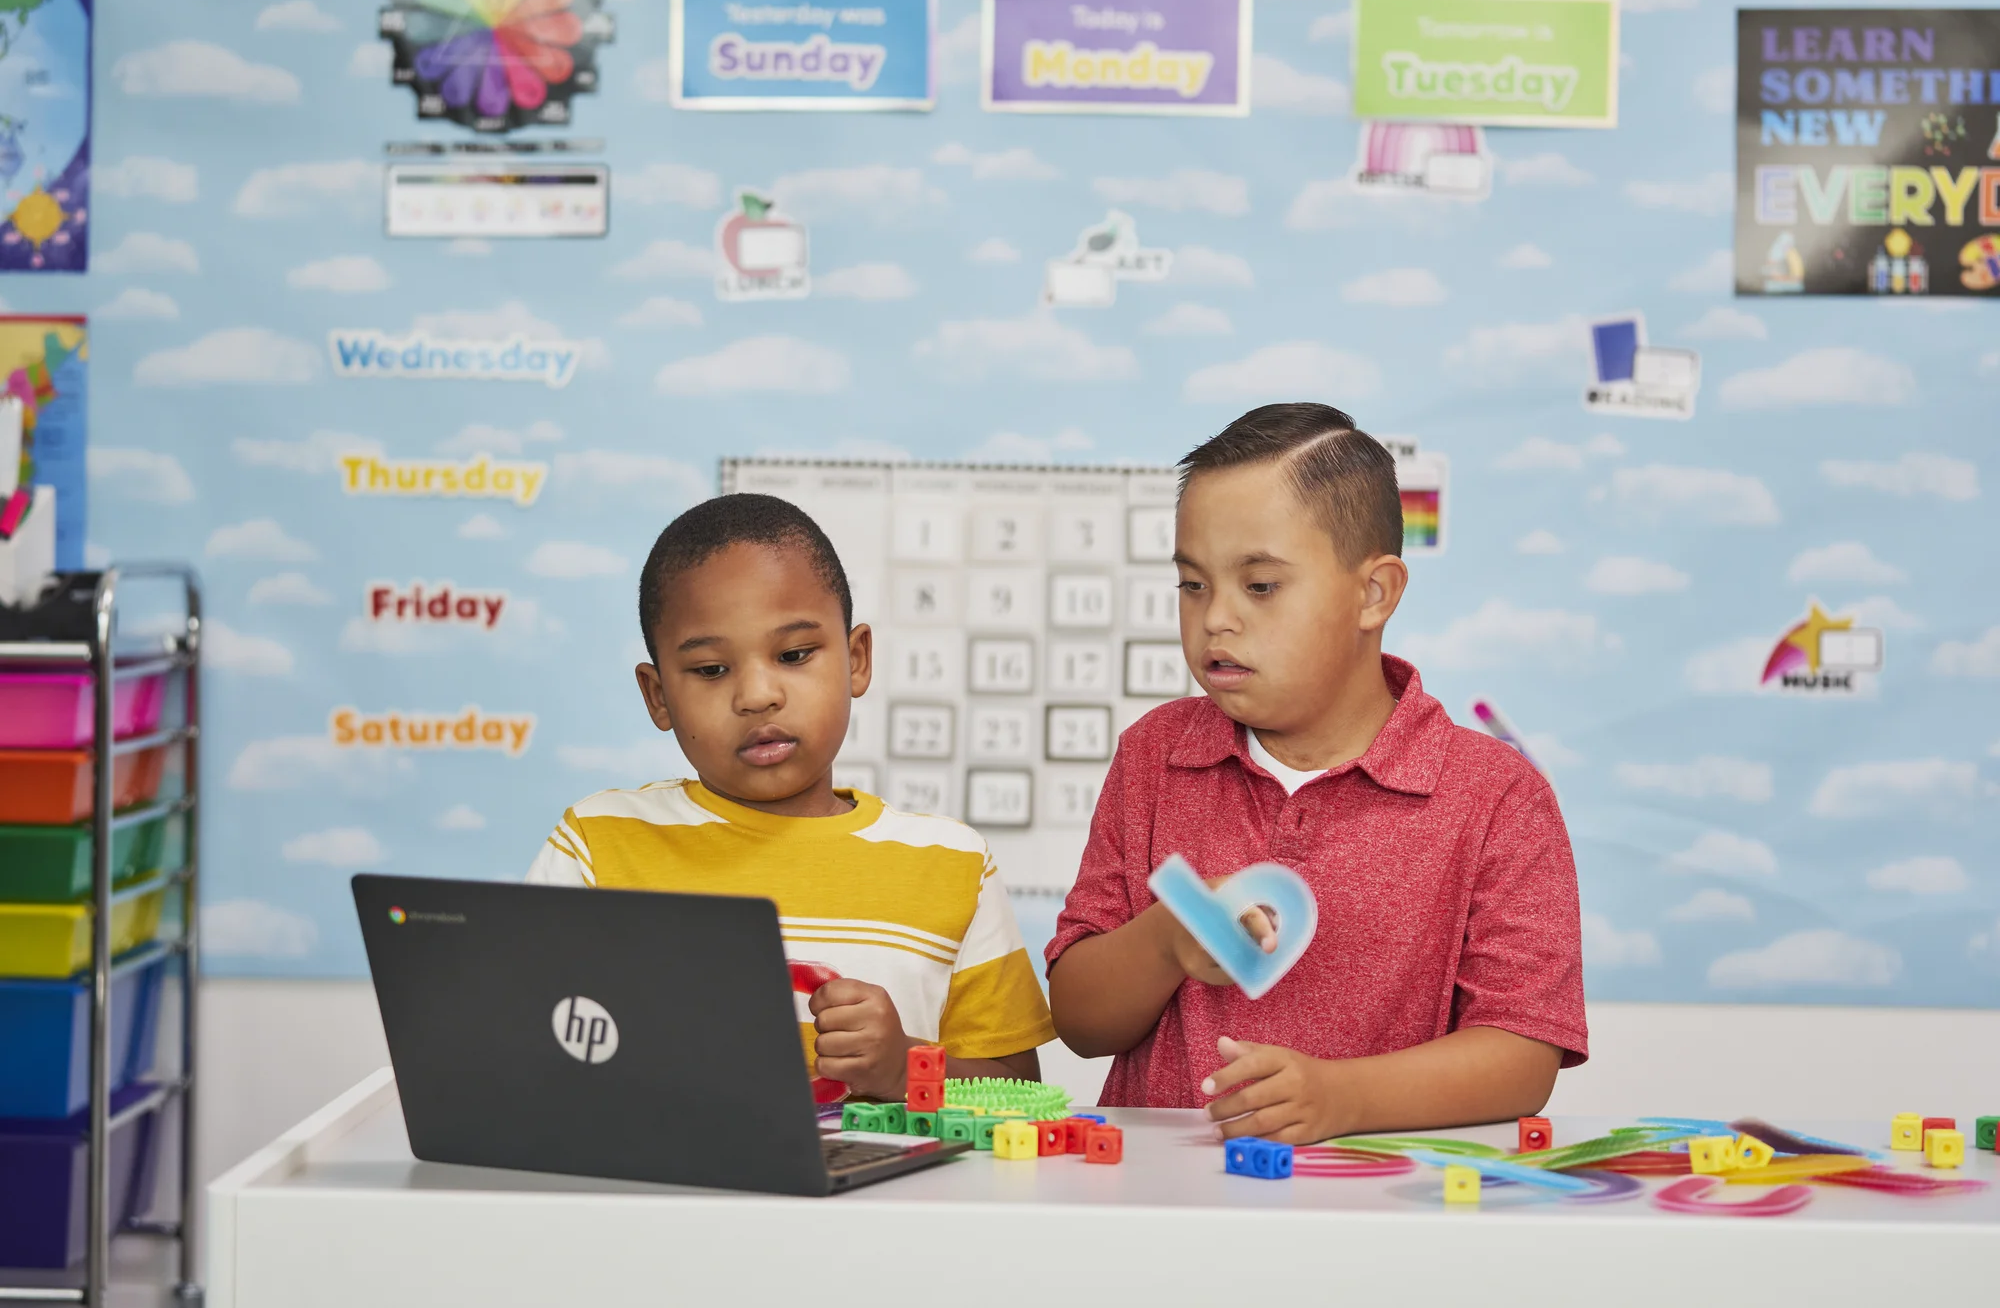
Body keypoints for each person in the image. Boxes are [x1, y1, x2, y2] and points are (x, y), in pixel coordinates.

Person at [1046, 403, 1586, 1143]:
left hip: (1379, 1215)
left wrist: (1341, 1098)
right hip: (1163, 1209)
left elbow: (1523, 1054)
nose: (1216, 620)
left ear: (1374, 593)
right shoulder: (1155, 755)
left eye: (1260, 586)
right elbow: (1077, 1019)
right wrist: (1166, 940)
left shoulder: (1496, 795)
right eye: (1193, 585)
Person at [529, 493, 1053, 1099]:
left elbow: (1020, 1095)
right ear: (658, 697)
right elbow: (518, 1041)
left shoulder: (953, 864)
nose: (756, 695)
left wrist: (904, 1067)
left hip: (885, 1194)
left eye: (794, 655)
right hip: (661, 1192)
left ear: (857, 660)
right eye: (709, 670)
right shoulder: (595, 845)